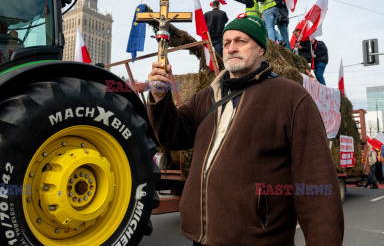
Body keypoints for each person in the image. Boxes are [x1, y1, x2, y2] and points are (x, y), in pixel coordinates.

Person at [147, 14, 344, 245]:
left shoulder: (290, 97)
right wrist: (160, 97)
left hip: (256, 239)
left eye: (241, 41)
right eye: (227, 42)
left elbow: (316, 184)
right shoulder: (207, 96)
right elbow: (173, 135)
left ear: (261, 48)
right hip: (200, 238)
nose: (231, 48)